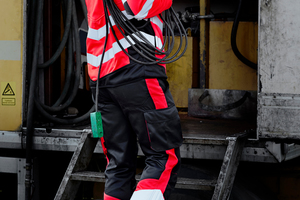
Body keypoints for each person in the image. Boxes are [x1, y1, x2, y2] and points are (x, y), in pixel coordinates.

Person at [85, 0, 183, 199]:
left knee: (118, 165)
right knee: (163, 157)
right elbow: (138, 5)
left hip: (102, 76)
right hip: (135, 68)